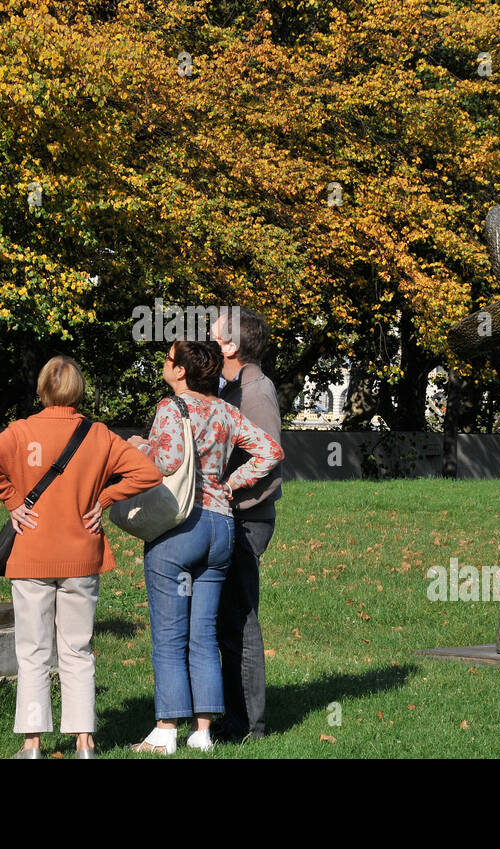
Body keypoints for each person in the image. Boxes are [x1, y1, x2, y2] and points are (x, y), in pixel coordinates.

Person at [0, 356, 161, 759]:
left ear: (41, 390)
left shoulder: (21, 431)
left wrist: (13, 500)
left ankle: (32, 745)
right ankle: (85, 743)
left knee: (34, 651)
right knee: (78, 650)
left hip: (33, 554)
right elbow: (148, 473)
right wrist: (104, 499)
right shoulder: (99, 435)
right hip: (81, 556)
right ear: (80, 391)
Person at [128, 340, 283, 754]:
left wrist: (137, 446)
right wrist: (230, 484)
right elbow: (270, 450)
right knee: (202, 635)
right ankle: (203, 731)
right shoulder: (226, 410)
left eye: (167, 358)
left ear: (180, 371)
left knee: (169, 635)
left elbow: (164, 462)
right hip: (221, 528)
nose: (164, 363)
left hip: (181, 528)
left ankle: (164, 732)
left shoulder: (170, 407)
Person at [211, 307, 283, 741]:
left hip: (246, 519)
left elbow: (269, 456)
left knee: (240, 620)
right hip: (237, 515)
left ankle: (247, 726)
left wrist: (226, 489)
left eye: (211, 334)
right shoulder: (235, 387)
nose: (204, 341)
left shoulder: (256, 391)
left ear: (232, 345)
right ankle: (234, 717)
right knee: (228, 620)